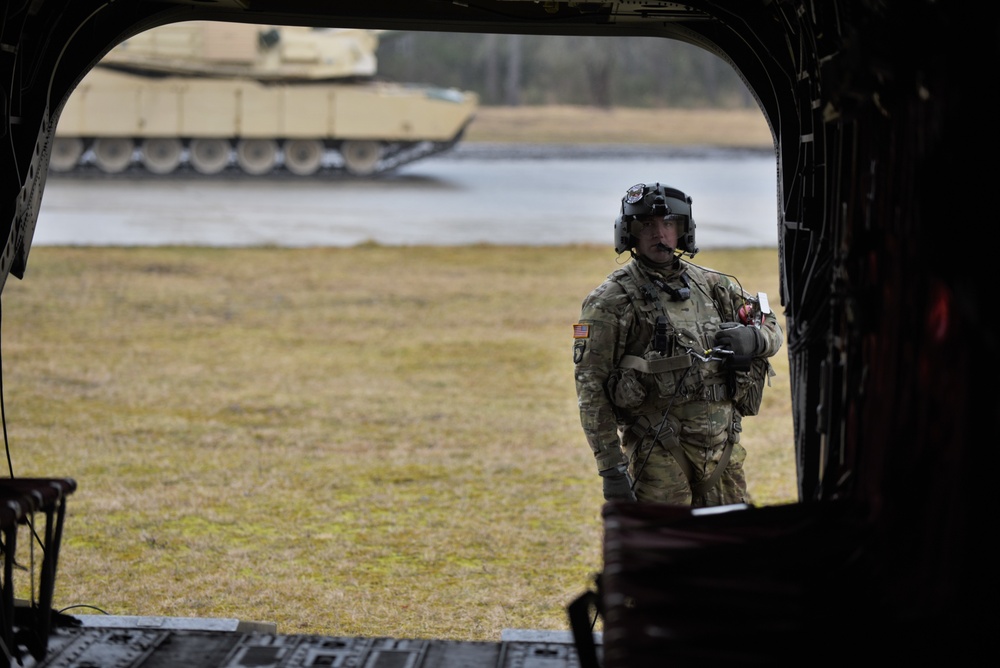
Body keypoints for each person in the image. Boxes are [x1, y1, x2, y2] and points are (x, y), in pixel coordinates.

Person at [573, 182, 783, 507]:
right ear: (629, 233)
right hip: (658, 454)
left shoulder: (714, 285)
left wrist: (753, 338)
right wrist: (612, 470)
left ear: (683, 230)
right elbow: (591, 390)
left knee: (731, 547)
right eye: (647, 225)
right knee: (663, 551)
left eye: (668, 224)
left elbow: (771, 326)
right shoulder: (610, 301)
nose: (659, 234)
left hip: (723, 453)